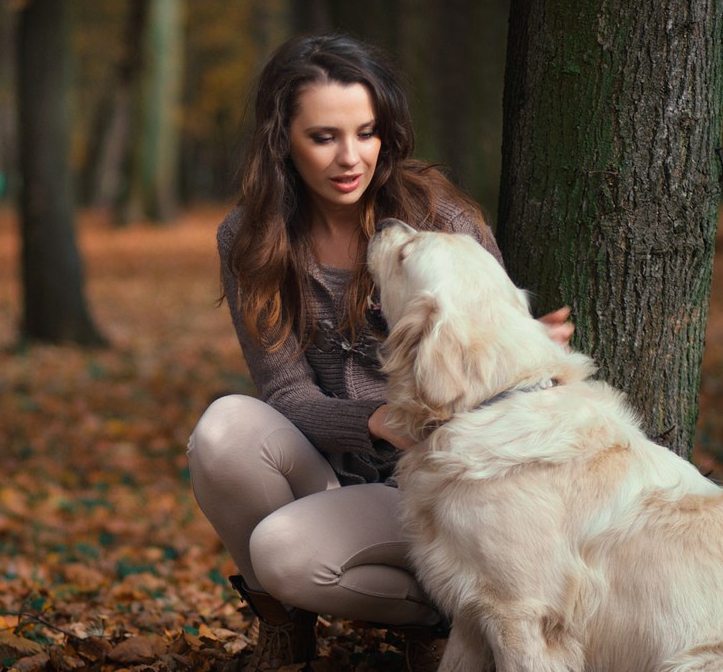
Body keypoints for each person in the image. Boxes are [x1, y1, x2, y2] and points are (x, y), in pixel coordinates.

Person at [186, 33, 574, 670]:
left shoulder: (434, 215)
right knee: (223, 431)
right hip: (327, 469)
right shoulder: (250, 237)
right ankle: (284, 621)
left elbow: (492, 352)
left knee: (284, 553)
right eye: (324, 137)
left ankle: (443, 619)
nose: (350, 158)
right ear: (282, 139)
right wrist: (372, 421)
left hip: (436, 482)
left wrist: (526, 349)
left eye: (365, 133)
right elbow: (284, 393)